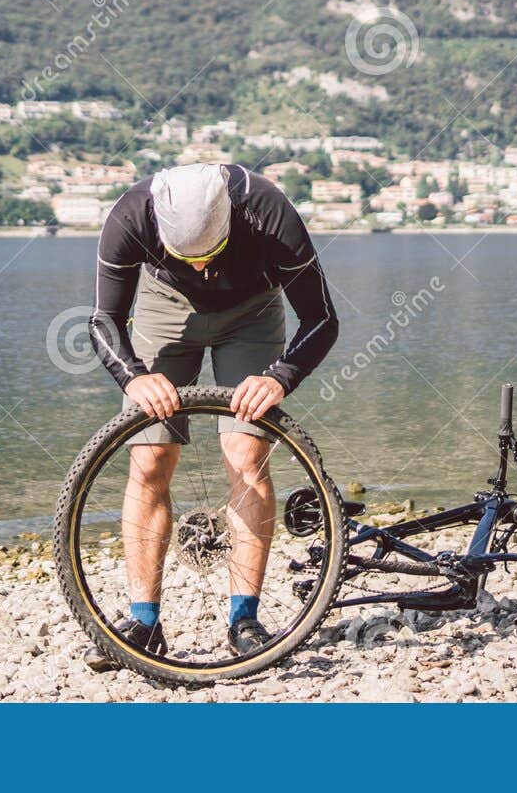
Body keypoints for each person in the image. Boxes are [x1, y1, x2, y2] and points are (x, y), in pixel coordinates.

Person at [86, 162, 339, 660]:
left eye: (212, 254)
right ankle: (143, 623)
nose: (201, 267)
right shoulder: (130, 215)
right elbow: (102, 320)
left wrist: (280, 376)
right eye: (188, 257)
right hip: (165, 306)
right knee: (150, 460)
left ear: (231, 221)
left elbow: (322, 317)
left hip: (251, 310)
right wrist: (134, 376)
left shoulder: (270, 212)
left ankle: (244, 617)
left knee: (246, 455)